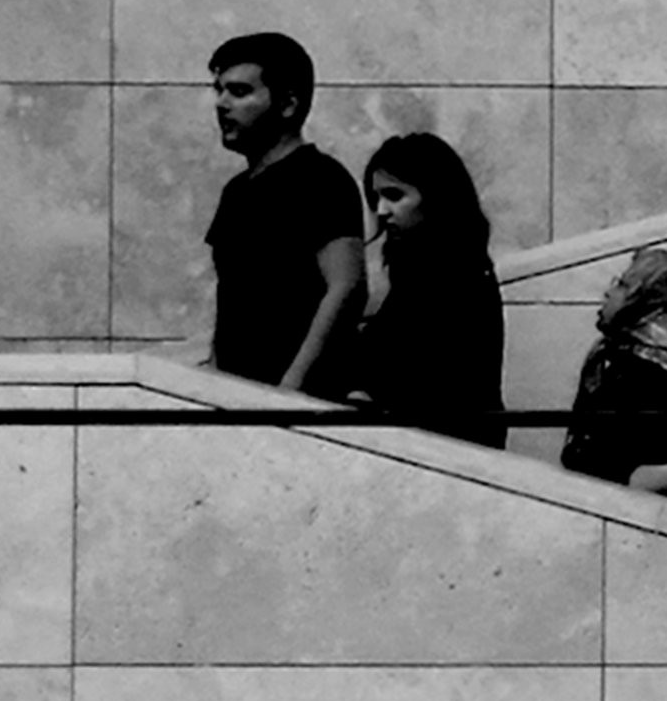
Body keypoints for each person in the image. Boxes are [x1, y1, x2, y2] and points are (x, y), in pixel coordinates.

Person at [321, 129, 507, 450]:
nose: (380, 210)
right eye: (376, 197)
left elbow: (430, 375)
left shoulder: (457, 276)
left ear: (436, 196)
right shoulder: (425, 270)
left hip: (447, 448)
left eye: (394, 196)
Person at [202, 31, 364, 394]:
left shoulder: (322, 179)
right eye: (219, 90)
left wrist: (292, 387)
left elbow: (346, 286)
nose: (222, 104)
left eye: (240, 92)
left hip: (300, 407)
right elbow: (231, 299)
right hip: (240, 401)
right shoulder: (236, 192)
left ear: (288, 103)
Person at [557, 246, 667, 509]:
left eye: (623, 286)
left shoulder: (659, 379)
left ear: (651, 305)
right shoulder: (615, 359)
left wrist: (630, 478)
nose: (608, 292)